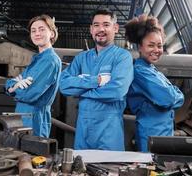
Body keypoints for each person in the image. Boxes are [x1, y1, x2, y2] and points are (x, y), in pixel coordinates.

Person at [59, 8, 134, 151]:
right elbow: (63, 85)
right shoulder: (81, 58)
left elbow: (117, 91)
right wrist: (96, 81)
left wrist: (81, 91)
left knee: (109, 171)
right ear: (91, 29)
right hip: (83, 131)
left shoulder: (122, 57)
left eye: (106, 25)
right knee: (80, 170)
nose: (101, 29)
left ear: (115, 28)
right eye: (96, 25)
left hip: (109, 131)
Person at [125, 14, 184, 152]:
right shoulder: (140, 72)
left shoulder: (152, 70)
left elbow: (176, 97)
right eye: (151, 45)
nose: (156, 50)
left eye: (159, 45)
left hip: (164, 132)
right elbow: (168, 98)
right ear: (139, 47)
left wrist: (174, 95)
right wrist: (175, 94)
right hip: (151, 134)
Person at [5, 14, 61, 137]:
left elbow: (29, 94)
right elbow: (11, 83)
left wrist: (13, 88)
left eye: (42, 29)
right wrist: (14, 85)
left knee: (33, 154)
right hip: (22, 116)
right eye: (33, 30)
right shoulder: (37, 59)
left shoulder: (50, 61)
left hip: (35, 119)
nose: (37, 33)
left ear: (51, 33)